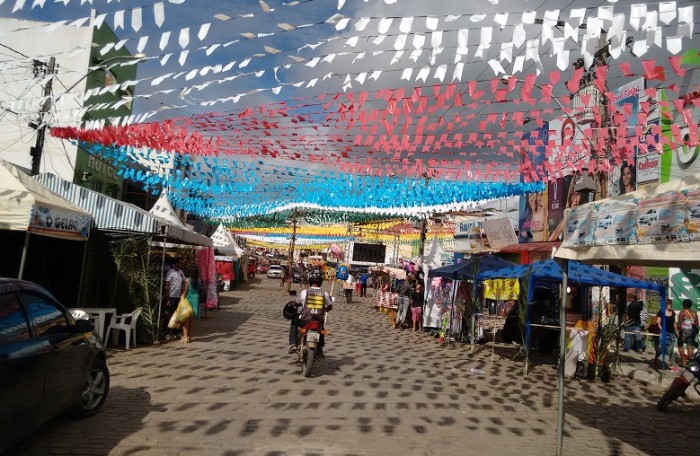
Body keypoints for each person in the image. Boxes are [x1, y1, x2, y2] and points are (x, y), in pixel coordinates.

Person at [289, 272, 333, 359]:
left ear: (309, 281)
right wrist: (325, 310)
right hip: (318, 321)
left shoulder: (305, 292)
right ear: (320, 282)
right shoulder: (325, 294)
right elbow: (330, 306)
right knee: (322, 330)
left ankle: (293, 343)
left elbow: (296, 302)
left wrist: (293, 303)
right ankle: (320, 349)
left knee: (294, 321)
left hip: (305, 320)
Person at [164, 257, 186, 341]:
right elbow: (166, 286)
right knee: (170, 315)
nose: (182, 265)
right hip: (172, 296)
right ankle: (168, 333)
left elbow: (184, 281)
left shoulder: (181, 272)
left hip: (178, 297)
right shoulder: (170, 273)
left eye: (183, 263)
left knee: (178, 315)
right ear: (176, 263)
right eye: (181, 263)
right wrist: (168, 298)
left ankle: (176, 332)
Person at [652, 301, 677, 370]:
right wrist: (662, 330)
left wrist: (677, 332)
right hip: (663, 332)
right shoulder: (661, 311)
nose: (670, 306)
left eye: (670, 304)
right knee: (660, 349)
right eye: (668, 304)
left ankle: (672, 364)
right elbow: (658, 322)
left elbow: (674, 323)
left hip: (671, 333)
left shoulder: (673, 312)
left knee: (671, 349)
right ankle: (656, 359)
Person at [179, 266, 199, 343]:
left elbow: (185, 291)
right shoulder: (199, 280)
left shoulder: (187, 280)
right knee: (190, 320)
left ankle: (185, 337)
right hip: (196, 300)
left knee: (185, 320)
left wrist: (181, 299)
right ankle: (189, 337)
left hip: (189, 300)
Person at [677, 298, 699, 366]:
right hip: (692, 331)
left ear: (685, 305)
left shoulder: (683, 312)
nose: (683, 305)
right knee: (689, 345)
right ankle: (691, 362)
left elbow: (680, 323)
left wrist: (677, 328)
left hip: (684, 331)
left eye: (683, 304)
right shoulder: (694, 313)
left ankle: (683, 361)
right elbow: (697, 323)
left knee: (680, 345)